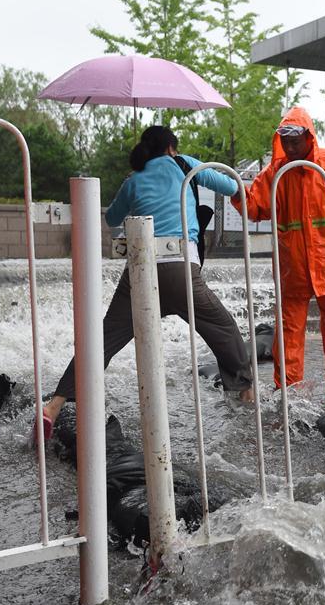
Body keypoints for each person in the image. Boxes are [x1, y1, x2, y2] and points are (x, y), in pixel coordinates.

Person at [37, 126, 253, 440]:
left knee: (102, 341)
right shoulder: (184, 164)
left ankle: (53, 406)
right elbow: (231, 186)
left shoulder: (133, 180)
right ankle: (245, 395)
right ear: (171, 148)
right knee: (224, 330)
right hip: (180, 269)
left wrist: (133, 187)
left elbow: (112, 219)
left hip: (139, 272)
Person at [231, 106, 325, 395]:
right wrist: (236, 192)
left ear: (309, 137)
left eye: (295, 141)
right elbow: (256, 207)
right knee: (288, 334)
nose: (289, 147)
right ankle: (287, 388)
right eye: (285, 142)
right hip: (294, 268)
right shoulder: (274, 173)